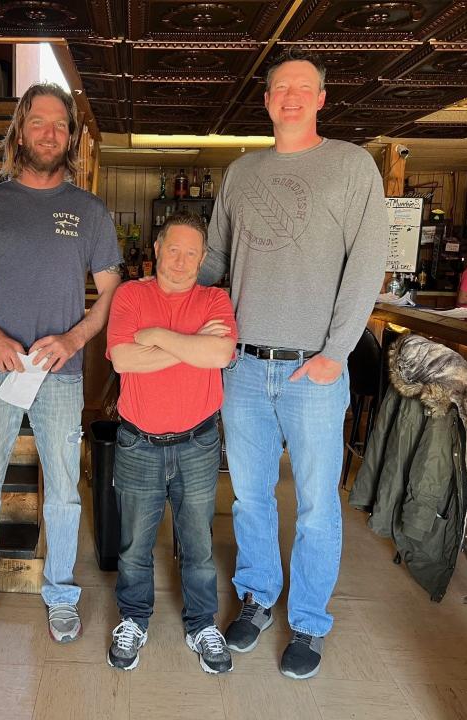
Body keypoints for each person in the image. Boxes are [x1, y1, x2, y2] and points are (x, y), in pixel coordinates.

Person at [198, 47, 389, 680]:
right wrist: (173, 304)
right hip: (245, 369)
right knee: (250, 498)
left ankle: (307, 621)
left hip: (315, 371)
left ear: (321, 99)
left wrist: (336, 355)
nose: (292, 97)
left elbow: (366, 266)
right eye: (282, 87)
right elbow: (215, 267)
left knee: (315, 505)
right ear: (267, 98)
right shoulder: (241, 172)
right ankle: (257, 597)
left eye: (304, 88)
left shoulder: (352, 166)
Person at [0, 83, 121, 644]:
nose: (50, 134)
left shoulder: (89, 210)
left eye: (60, 125)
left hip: (61, 378)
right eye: (39, 122)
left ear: (70, 136)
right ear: (20, 130)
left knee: (66, 494)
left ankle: (62, 594)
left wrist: (73, 339)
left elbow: (111, 296)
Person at [105, 213, 237, 673]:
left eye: (192, 253)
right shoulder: (130, 294)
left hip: (198, 443)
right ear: (157, 249)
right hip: (138, 442)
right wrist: (190, 344)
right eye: (173, 250)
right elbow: (123, 360)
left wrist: (158, 337)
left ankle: (202, 625)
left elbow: (219, 354)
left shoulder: (215, 298)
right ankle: (134, 620)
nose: (181, 261)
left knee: (199, 543)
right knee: (134, 545)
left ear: (203, 259)